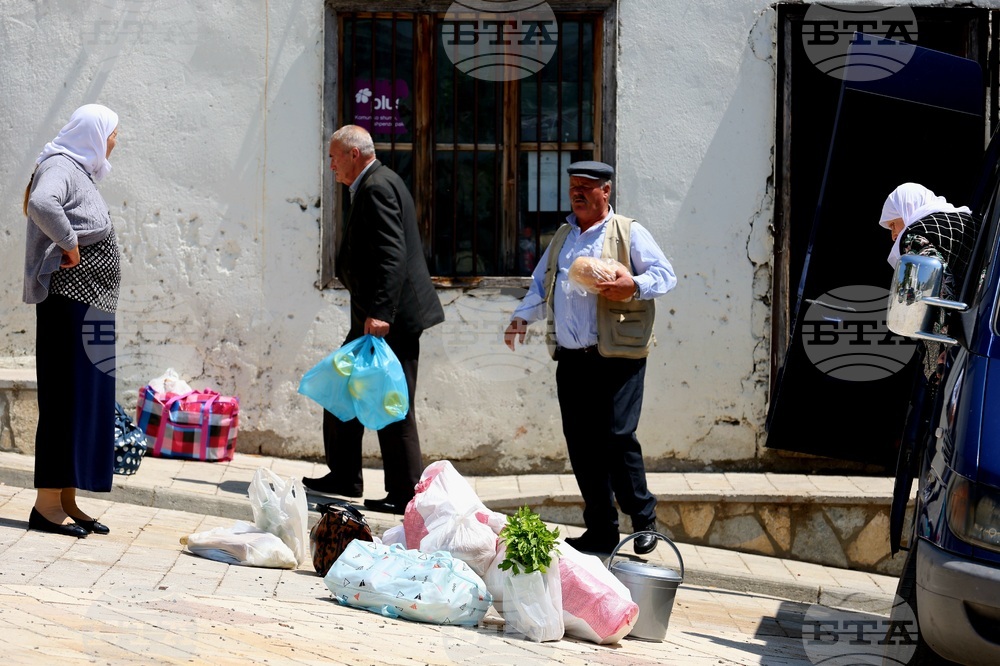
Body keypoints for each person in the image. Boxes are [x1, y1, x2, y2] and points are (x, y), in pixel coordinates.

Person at [503, 160, 677, 556]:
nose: (577, 193)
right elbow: (541, 284)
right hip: (572, 359)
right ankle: (601, 529)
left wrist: (634, 284)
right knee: (582, 443)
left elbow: (665, 275)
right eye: (573, 187)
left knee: (617, 437)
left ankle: (644, 519)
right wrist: (521, 317)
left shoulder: (628, 231)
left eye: (586, 187)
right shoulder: (564, 236)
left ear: (606, 191)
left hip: (617, 356)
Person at [303, 125, 444, 514]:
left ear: (353, 154)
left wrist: (382, 312)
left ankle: (404, 494)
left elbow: (391, 254)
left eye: (334, 157)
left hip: (389, 318)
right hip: (373, 316)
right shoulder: (373, 182)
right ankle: (344, 475)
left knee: (392, 402)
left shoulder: (377, 186)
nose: (331, 165)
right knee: (340, 387)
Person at [22, 103, 121, 538]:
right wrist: (69, 242)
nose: (115, 142)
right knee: (65, 399)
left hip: (93, 307)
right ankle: (45, 506)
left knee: (85, 402)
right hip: (70, 306)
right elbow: (41, 202)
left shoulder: (80, 171)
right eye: (113, 133)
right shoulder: (60, 165)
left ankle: (66, 499)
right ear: (94, 133)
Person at [879, 182, 977, 388]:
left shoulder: (915, 236)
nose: (893, 235)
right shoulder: (968, 220)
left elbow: (940, 286)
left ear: (906, 208)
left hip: (961, 348)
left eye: (893, 225)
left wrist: (942, 348)